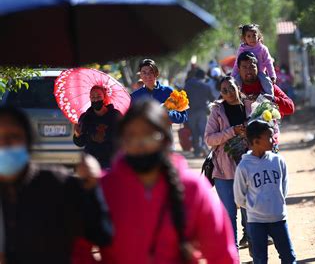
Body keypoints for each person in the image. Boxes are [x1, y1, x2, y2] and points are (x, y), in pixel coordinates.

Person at [98, 100, 238, 263]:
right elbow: (78, 250)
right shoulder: (104, 189)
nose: (140, 144)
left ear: (165, 140)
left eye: (148, 135)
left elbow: (222, 255)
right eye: (131, 136)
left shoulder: (194, 189)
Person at [0, 105, 112, 263]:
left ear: (29, 140)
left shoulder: (59, 185)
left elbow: (101, 234)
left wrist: (93, 189)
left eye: (14, 136)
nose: (5, 144)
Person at [233, 120, 296, 264]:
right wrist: (255, 207)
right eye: (269, 137)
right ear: (255, 141)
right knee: (260, 259)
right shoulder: (244, 166)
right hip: (256, 222)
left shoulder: (278, 161)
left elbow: (284, 186)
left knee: (288, 256)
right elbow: (239, 197)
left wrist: (276, 202)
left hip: (279, 218)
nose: (273, 140)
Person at [204, 76, 251, 249]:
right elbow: (209, 138)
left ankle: (256, 252)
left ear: (237, 87)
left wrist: (249, 132)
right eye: (224, 91)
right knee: (229, 216)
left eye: (231, 88)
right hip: (224, 171)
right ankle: (234, 257)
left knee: (251, 215)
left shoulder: (250, 107)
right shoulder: (217, 111)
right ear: (220, 93)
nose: (229, 93)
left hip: (249, 169)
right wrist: (232, 131)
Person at [237, 51, 295, 143]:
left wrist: (268, 99)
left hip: (268, 143)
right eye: (244, 67)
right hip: (242, 145)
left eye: (252, 66)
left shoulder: (267, 87)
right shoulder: (233, 89)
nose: (248, 70)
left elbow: (290, 108)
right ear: (238, 69)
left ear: (257, 68)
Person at [73, 85, 122, 169]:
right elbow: (80, 143)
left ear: (105, 97)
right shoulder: (85, 117)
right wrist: (77, 134)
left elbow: (123, 138)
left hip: (111, 162)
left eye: (99, 96)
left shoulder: (115, 115)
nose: (95, 99)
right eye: (92, 97)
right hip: (91, 163)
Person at [130, 58, 188, 124]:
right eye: (144, 73)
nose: (147, 76)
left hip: (164, 133)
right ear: (140, 75)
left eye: (151, 72)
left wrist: (168, 114)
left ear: (157, 73)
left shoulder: (169, 92)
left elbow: (183, 117)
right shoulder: (135, 96)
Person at [231, 24, 276, 96]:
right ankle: (236, 97)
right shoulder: (242, 49)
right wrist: (232, 76)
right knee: (236, 81)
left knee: (267, 82)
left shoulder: (262, 49)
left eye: (254, 35)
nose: (252, 38)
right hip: (244, 74)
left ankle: (271, 98)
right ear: (244, 38)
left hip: (260, 73)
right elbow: (237, 64)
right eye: (248, 36)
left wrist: (272, 75)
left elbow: (268, 62)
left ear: (258, 36)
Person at [184, 68, 215, 157]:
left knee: (194, 132)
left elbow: (183, 98)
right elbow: (212, 98)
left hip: (190, 112)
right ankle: (205, 149)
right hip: (202, 112)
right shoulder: (205, 86)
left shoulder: (188, 85)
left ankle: (197, 151)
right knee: (203, 132)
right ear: (203, 76)